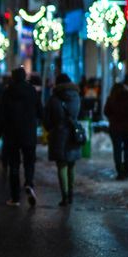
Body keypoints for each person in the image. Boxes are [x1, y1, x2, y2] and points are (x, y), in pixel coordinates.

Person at [0, 66, 42, 206]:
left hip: (11, 135)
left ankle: (15, 198)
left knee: (13, 165)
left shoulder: (7, 92)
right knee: (29, 161)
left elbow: (1, 116)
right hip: (29, 133)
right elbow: (40, 111)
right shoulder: (32, 90)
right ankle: (29, 183)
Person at [45, 73, 82, 205]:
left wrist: (51, 128)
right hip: (73, 134)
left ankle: (65, 196)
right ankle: (71, 194)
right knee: (72, 165)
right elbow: (79, 114)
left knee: (62, 165)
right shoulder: (76, 97)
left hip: (58, 135)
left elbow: (47, 119)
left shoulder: (53, 99)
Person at [103, 77, 128, 180]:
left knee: (117, 149)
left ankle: (120, 172)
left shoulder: (112, 98)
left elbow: (106, 112)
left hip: (116, 128)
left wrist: (113, 117)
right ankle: (127, 170)